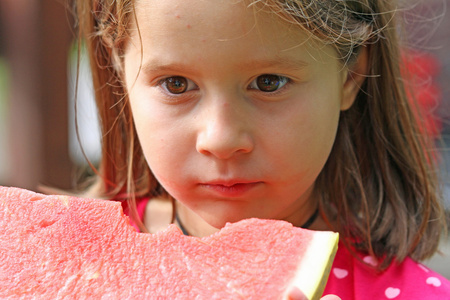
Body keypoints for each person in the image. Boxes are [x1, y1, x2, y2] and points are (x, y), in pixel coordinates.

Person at [75, 0, 450, 298]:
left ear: (350, 76)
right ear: (120, 69)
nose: (220, 140)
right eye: (176, 83)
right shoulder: (79, 260)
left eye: (268, 83)